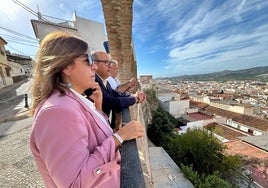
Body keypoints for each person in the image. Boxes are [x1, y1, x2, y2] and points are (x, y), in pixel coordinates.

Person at [30, 31, 145, 188]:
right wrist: (120, 137)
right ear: (66, 66)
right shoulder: (56, 111)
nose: (94, 66)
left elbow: (91, 137)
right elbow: (75, 183)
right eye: (89, 60)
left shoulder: (70, 99)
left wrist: (97, 108)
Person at [84, 51, 146, 130]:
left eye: (110, 63)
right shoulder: (93, 81)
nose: (110, 66)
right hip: (96, 128)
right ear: (95, 64)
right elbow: (111, 102)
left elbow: (115, 94)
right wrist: (136, 99)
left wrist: (133, 96)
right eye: (107, 63)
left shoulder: (103, 80)